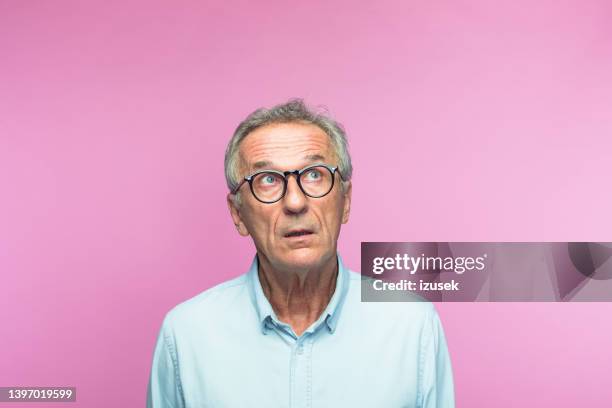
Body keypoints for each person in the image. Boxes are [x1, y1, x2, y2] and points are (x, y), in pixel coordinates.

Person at [147, 99, 455, 407]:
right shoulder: (186, 335)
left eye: (314, 174)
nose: (295, 202)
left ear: (345, 201)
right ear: (237, 213)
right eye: (267, 180)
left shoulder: (413, 327)